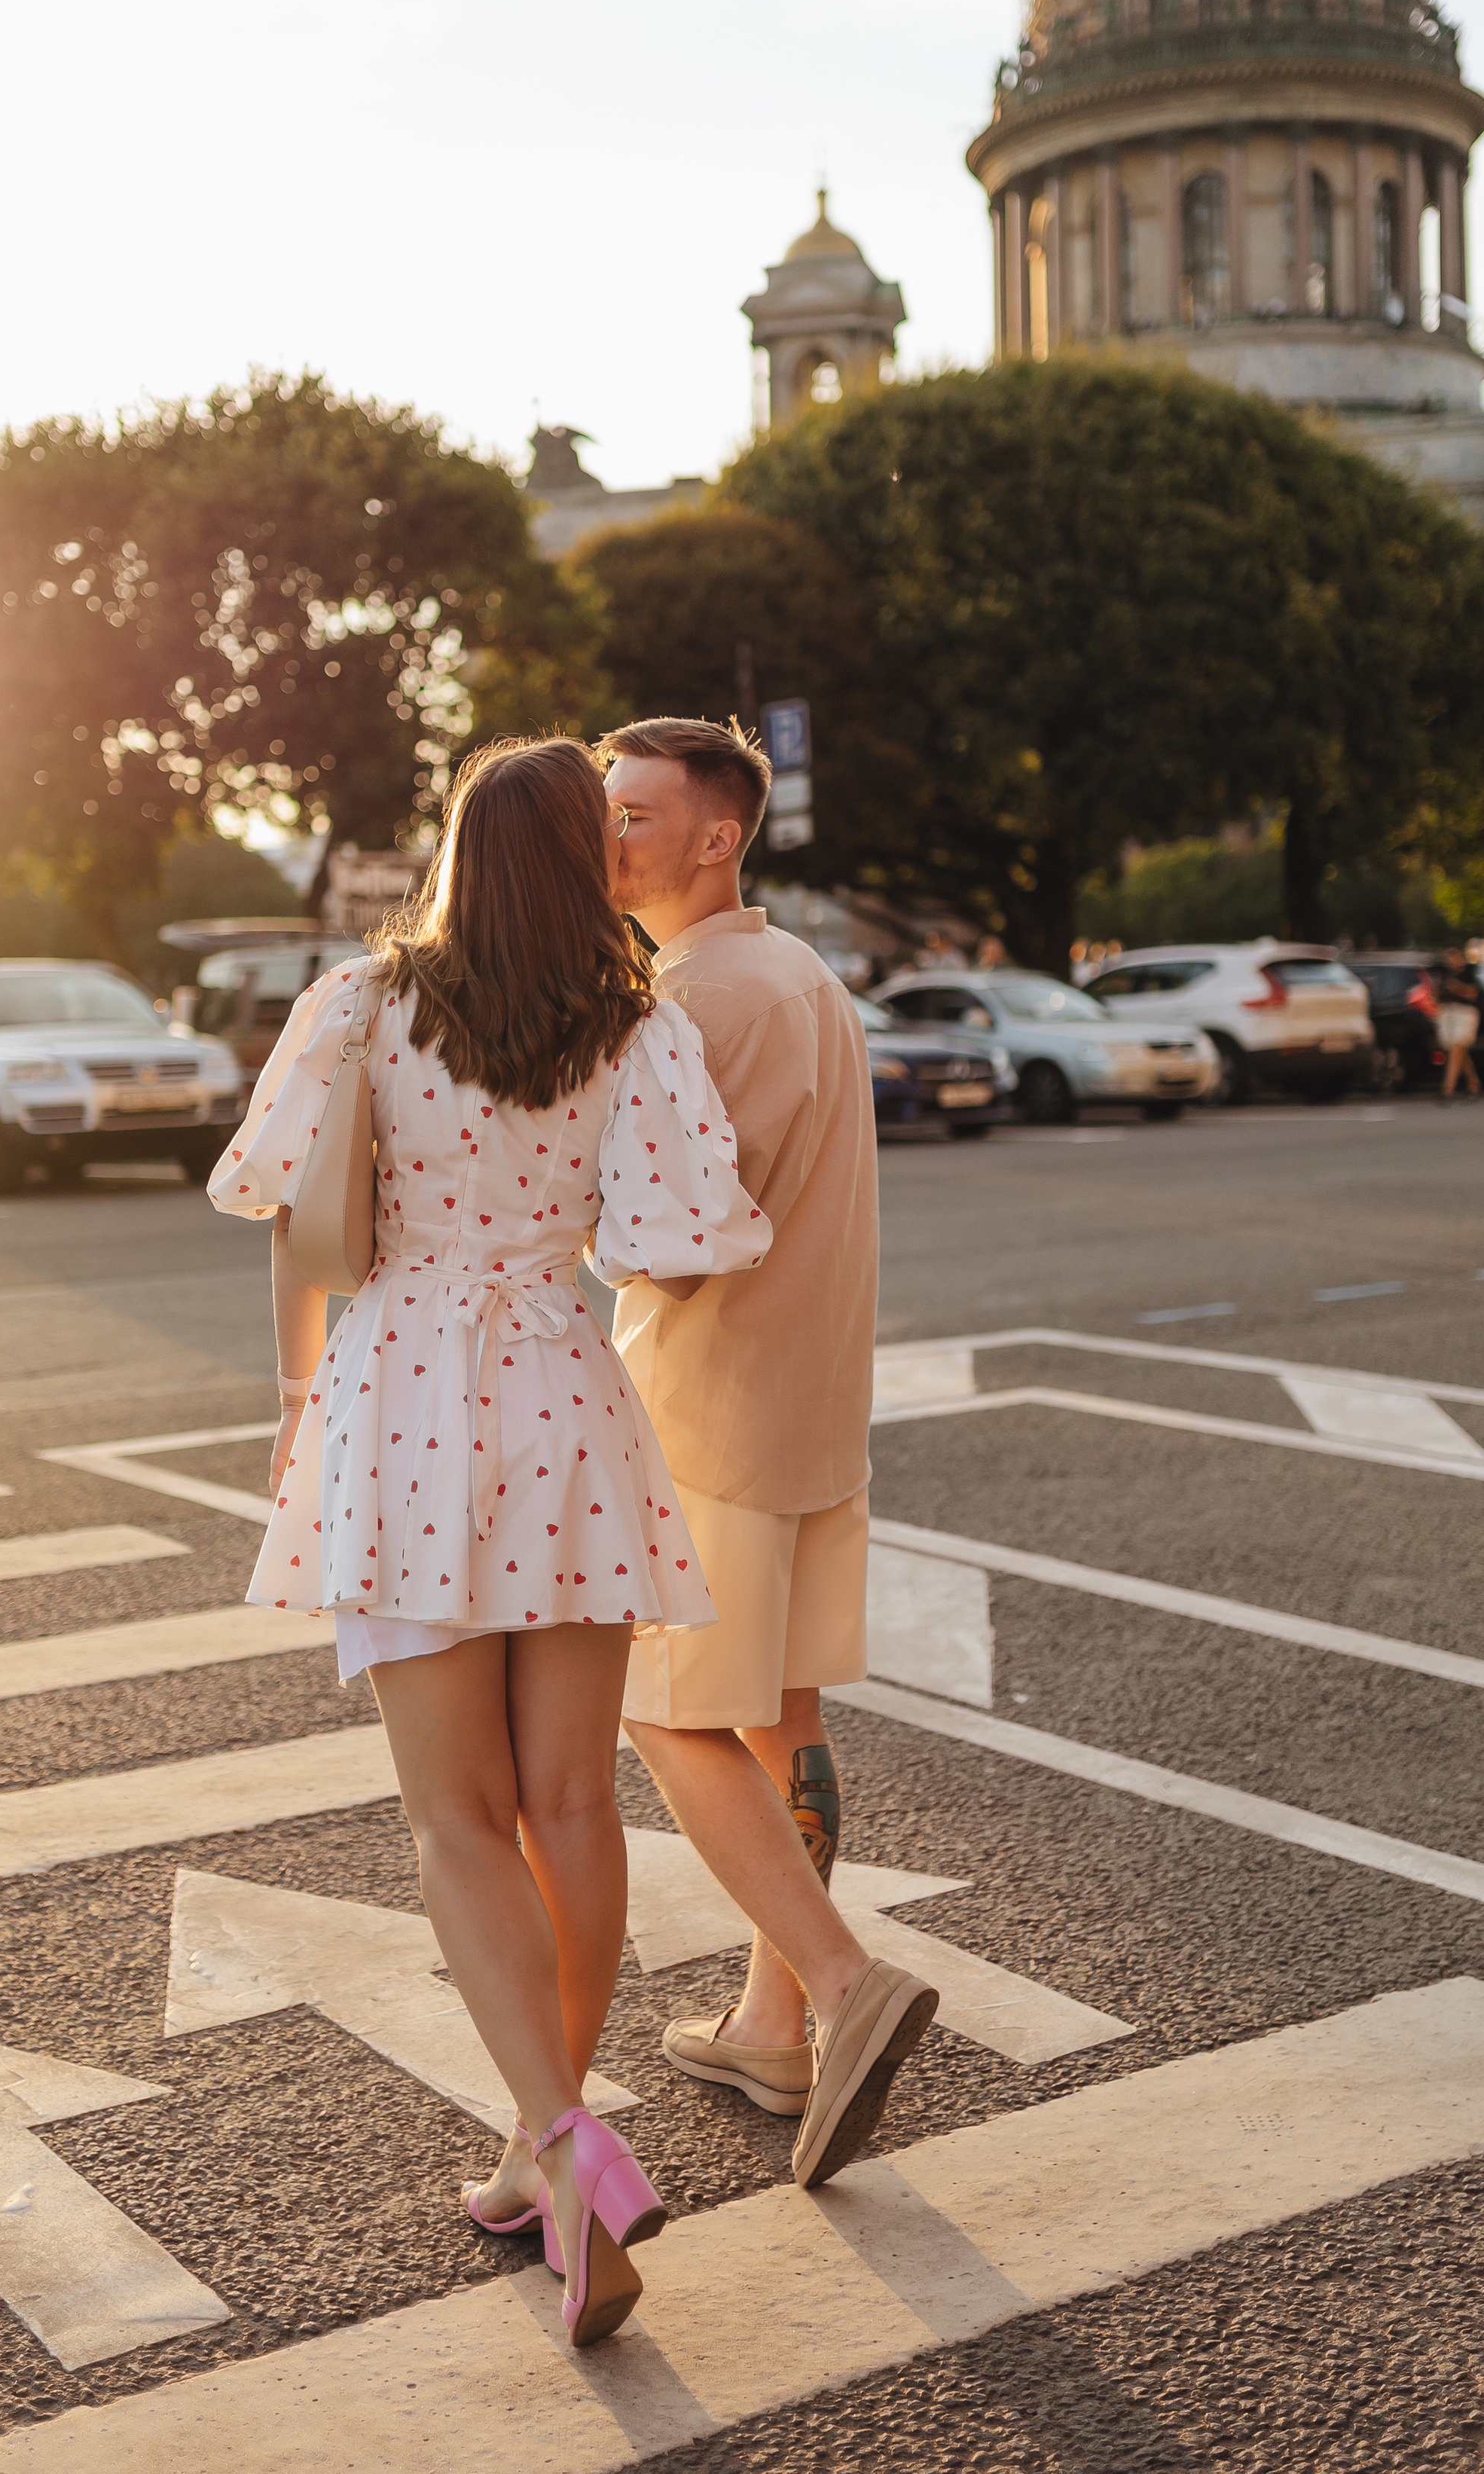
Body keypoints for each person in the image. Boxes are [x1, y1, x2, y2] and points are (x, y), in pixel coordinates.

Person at [209, 736, 770, 2350]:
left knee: (455, 1817)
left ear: (461, 848)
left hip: (397, 1403)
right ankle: (546, 2140)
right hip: (559, 1388)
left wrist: (299, 1391)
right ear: (574, 861)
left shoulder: (361, 1004)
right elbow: (673, 1239)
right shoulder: (632, 1017)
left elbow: (298, 1218)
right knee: (571, 1798)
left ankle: (556, 2136)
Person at [596, 716, 938, 2193]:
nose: (602, 832)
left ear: (712, 833)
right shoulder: (799, 973)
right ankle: (770, 2023)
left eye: (629, 811)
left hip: (705, 1413)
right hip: (809, 1410)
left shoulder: (689, 998)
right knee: (776, 1718)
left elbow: (667, 1244)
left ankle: (842, 1985)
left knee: (662, 1716)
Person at [1434, 945, 1482, 1100]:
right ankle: (1473, 1083)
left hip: (1466, 1014)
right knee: (1457, 1052)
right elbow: (1436, 996)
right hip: (1448, 1013)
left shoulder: (1469, 974)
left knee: (1457, 1048)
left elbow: (1473, 995)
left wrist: (1456, 988)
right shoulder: (1443, 975)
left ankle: (1447, 1089)